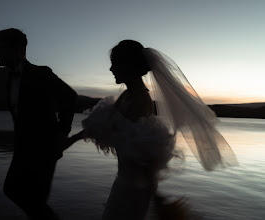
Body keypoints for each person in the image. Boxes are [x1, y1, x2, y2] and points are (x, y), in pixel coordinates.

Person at [68, 40, 237, 219]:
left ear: (128, 66)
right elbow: (102, 124)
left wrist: (157, 199)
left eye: (115, 64)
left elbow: (143, 154)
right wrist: (71, 140)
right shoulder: (127, 96)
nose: (111, 69)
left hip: (135, 186)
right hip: (125, 180)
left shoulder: (140, 101)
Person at [0, 28, 77, 219]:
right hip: (23, 149)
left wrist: (61, 135)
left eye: (0, 48)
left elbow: (69, 97)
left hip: (44, 149)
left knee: (34, 200)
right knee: (12, 189)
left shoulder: (40, 73)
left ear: (16, 49)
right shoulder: (9, 79)